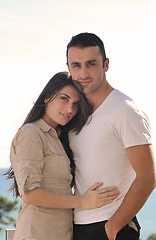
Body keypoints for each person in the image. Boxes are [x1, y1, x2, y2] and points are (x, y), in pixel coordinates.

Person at [4, 72, 120, 240]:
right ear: (47, 97)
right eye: (64, 99)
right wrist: (82, 202)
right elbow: (30, 195)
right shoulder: (31, 133)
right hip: (36, 234)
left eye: (76, 104)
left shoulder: (59, 138)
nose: (70, 109)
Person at [66, 32, 156, 240]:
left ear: (106, 64)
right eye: (76, 65)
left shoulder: (125, 110)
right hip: (78, 225)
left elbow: (148, 176)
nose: (83, 73)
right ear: (69, 68)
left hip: (112, 225)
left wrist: (113, 227)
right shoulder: (74, 112)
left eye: (91, 64)